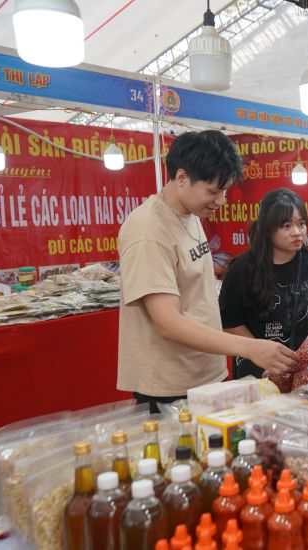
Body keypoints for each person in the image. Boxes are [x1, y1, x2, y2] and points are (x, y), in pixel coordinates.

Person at [117, 130, 297, 413]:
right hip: (171, 387)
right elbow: (168, 322)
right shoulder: (148, 230)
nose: (221, 201)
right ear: (181, 178)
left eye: (224, 191)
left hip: (207, 375)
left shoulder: (189, 214)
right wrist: (250, 348)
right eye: (213, 191)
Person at [219, 188, 308, 378]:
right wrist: (257, 350)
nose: (297, 232)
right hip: (256, 369)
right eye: (286, 226)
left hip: (301, 367)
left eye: (301, 224)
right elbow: (230, 323)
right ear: (268, 229)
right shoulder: (242, 268)